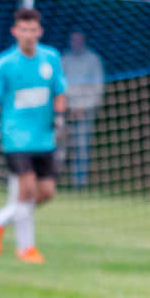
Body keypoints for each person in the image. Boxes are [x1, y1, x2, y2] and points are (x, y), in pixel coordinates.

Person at [0, 8, 67, 264]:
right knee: (26, 190)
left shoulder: (51, 58)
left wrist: (60, 118)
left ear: (39, 32)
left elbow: (59, 90)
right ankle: (25, 248)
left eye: (32, 30)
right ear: (15, 32)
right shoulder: (4, 63)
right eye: (23, 29)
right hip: (15, 138)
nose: (28, 34)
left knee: (47, 192)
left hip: (44, 138)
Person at [60, 30, 104, 188]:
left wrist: (83, 108)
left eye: (78, 40)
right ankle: (52, 181)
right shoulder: (64, 59)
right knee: (59, 147)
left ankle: (80, 185)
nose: (75, 43)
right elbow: (59, 86)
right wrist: (65, 108)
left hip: (86, 111)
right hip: (65, 111)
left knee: (81, 147)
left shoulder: (93, 59)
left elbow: (98, 87)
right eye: (73, 40)